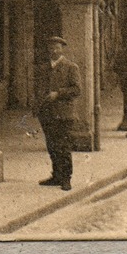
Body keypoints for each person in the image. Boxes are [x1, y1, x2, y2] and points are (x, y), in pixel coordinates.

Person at [37, 35, 82, 191]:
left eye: (56, 48)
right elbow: (38, 90)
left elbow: (77, 90)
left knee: (63, 147)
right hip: (48, 114)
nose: (53, 51)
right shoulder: (43, 68)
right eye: (50, 48)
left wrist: (59, 93)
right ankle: (56, 175)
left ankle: (66, 178)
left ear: (62, 49)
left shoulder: (71, 67)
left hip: (64, 114)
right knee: (52, 146)